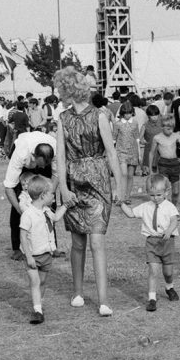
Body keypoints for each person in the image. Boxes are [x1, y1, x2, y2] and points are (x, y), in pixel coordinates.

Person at [53, 66, 123, 317]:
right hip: (73, 184)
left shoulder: (100, 116)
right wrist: (62, 187)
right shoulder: (62, 119)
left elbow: (111, 152)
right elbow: (60, 157)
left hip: (98, 184)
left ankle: (104, 300)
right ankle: (78, 292)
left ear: (68, 90)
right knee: (77, 242)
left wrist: (120, 186)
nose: (58, 93)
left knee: (96, 241)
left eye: (60, 89)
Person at [120, 173, 180, 313]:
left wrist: (169, 231)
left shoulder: (169, 206)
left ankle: (169, 287)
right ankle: (152, 299)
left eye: (159, 195)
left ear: (166, 192)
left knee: (168, 272)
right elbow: (130, 213)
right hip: (152, 242)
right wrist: (121, 203)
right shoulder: (145, 206)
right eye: (152, 195)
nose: (156, 198)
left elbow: (175, 220)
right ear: (148, 193)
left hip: (167, 242)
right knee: (153, 271)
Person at [18, 175, 68, 324]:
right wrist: (28, 257)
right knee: (35, 282)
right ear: (43, 195)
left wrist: (65, 205)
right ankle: (37, 311)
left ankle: (39, 302)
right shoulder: (28, 214)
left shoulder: (46, 211)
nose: (53, 196)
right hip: (32, 255)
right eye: (51, 194)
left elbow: (56, 217)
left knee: (43, 282)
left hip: (46, 254)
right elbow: (23, 236)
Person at [3, 129, 57, 261]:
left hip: (43, 154)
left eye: (46, 165)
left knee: (48, 202)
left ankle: (51, 246)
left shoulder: (56, 150)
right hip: (24, 159)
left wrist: (49, 196)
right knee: (20, 198)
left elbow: (56, 176)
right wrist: (20, 209)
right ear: (34, 157)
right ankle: (17, 248)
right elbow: (9, 186)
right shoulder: (21, 153)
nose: (43, 168)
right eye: (41, 164)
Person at [149, 115, 180, 205]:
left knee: (176, 191)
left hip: (175, 164)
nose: (170, 131)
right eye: (168, 129)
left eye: (172, 128)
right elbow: (151, 153)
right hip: (163, 164)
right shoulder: (157, 137)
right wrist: (150, 169)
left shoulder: (176, 135)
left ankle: (174, 208)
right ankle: (164, 209)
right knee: (163, 189)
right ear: (162, 127)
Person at [112, 100, 141, 202]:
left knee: (130, 175)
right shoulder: (117, 124)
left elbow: (137, 138)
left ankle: (127, 197)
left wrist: (139, 154)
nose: (128, 115)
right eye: (125, 113)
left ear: (132, 112)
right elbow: (113, 139)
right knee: (123, 174)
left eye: (129, 113)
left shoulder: (135, 123)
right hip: (121, 152)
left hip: (133, 152)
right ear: (122, 113)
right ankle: (120, 196)